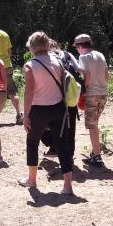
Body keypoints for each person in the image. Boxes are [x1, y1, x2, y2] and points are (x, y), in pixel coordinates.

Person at [21, 31, 74, 194]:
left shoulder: (30, 65)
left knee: (32, 143)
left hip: (38, 110)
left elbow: (29, 92)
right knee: (63, 147)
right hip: (58, 108)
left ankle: (32, 180)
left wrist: (26, 114)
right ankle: (67, 186)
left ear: (32, 46)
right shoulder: (58, 60)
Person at [41, 39, 83, 163]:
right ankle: (69, 155)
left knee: (48, 124)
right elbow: (78, 69)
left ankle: (53, 147)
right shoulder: (67, 55)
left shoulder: (46, 57)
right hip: (69, 95)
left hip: (52, 96)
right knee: (70, 126)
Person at [74, 34, 110, 167]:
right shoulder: (100, 55)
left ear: (80, 46)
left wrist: (84, 90)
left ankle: (97, 156)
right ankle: (95, 152)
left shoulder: (83, 57)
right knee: (95, 124)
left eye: (77, 47)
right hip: (103, 93)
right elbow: (107, 77)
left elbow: (86, 76)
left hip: (92, 95)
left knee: (92, 126)